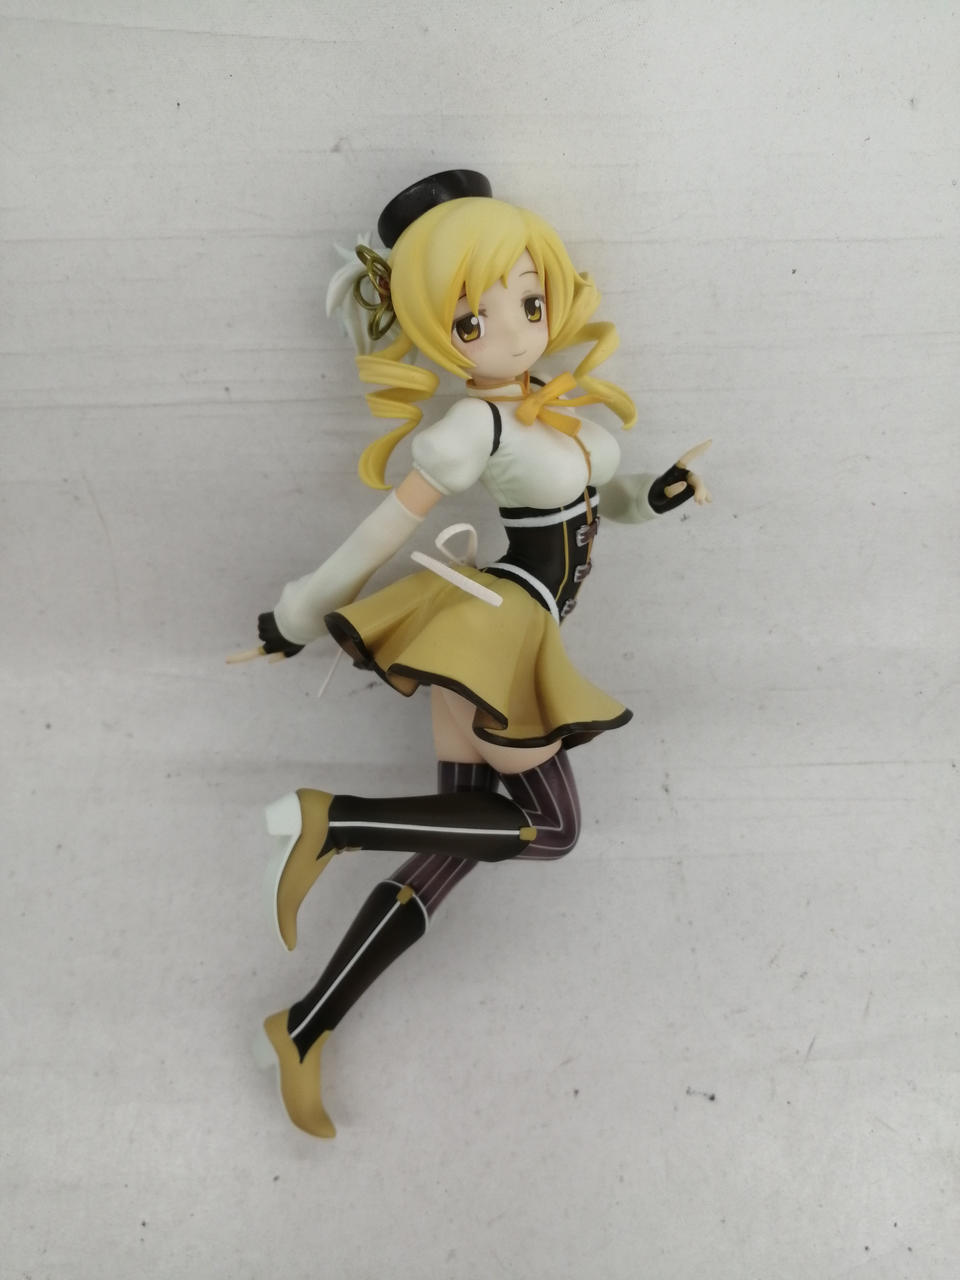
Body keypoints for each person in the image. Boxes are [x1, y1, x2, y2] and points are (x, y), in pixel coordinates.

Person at [247, 171, 710, 1137]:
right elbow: (379, 533)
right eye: (472, 321)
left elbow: (603, 504)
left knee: (452, 846)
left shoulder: (561, 411)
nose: (512, 333)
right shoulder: (475, 426)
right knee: (552, 829)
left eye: (528, 304)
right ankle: (336, 821)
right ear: (434, 330)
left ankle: (305, 1025)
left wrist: (657, 495)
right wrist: (299, 612)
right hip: (500, 633)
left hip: (488, 634)